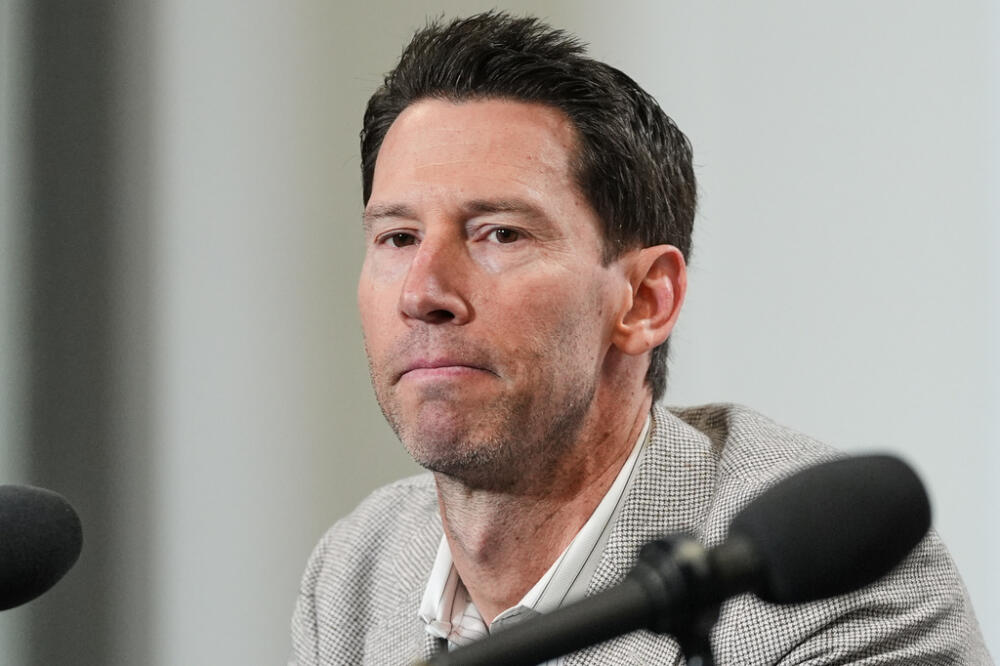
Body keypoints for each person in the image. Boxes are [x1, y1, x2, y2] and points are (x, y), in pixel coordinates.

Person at [291, 11, 990, 665]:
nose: (422, 293)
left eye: (500, 233)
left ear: (647, 300)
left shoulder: (827, 581)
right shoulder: (356, 575)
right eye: (397, 237)